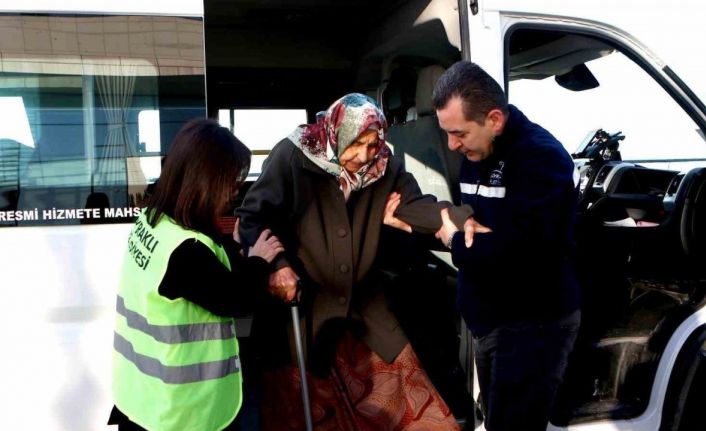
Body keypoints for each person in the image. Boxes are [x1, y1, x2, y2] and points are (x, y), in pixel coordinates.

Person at [236, 93, 472, 431]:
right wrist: (277, 267)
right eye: (356, 144)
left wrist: (458, 220)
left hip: (365, 314)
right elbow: (253, 219)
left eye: (373, 144)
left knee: (418, 416)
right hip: (304, 316)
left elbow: (413, 205)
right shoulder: (293, 155)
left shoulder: (385, 165)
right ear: (336, 133)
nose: (363, 156)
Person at [432, 61, 581, 431]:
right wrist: (465, 222)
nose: (452, 145)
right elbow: (482, 226)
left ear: (494, 120)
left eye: (458, 133)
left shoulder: (540, 158)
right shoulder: (477, 150)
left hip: (532, 324)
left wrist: (453, 238)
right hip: (490, 321)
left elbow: (514, 254)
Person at [109, 119, 284, 431]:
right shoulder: (184, 251)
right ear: (205, 180)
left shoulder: (154, 221)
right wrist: (258, 261)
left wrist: (234, 251)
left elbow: (208, 272)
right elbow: (234, 299)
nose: (234, 191)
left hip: (143, 398)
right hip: (183, 413)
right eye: (230, 181)